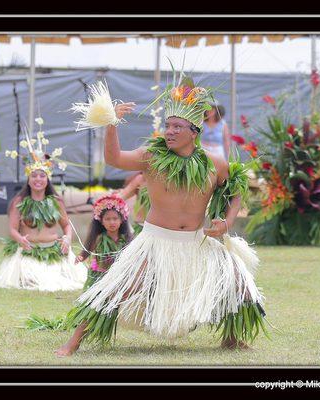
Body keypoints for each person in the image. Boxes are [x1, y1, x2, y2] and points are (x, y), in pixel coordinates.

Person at [56, 78, 268, 357]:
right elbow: (115, 158)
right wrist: (111, 123)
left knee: (237, 282)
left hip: (197, 241)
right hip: (156, 240)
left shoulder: (215, 163)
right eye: (167, 126)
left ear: (194, 132)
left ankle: (231, 338)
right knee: (117, 286)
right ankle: (73, 343)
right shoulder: (151, 157)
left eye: (177, 127)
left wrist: (226, 222)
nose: (169, 131)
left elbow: (236, 191)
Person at [0, 125, 86, 291]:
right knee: (33, 282)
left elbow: (66, 225)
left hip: (53, 252)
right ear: (28, 179)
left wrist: (68, 238)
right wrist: (20, 239)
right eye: (34, 175)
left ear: (48, 179)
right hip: (29, 253)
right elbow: (12, 229)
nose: (38, 179)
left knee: (64, 282)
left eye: (42, 176)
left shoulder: (56, 201)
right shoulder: (19, 201)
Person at [75, 194, 133, 289]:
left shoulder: (126, 239)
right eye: (107, 219)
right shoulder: (98, 238)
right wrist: (81, 256)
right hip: (100, 276)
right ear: (101, 221)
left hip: (119, 275)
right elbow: (88, 249)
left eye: (115, 219)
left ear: (121, 220)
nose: (112, 222)